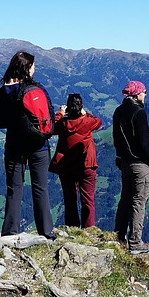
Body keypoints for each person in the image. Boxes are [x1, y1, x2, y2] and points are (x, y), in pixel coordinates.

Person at [0, 50, 56, 239]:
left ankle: (10, 232)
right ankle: (46, 232)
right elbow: (48, 117)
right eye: (33, 65)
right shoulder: (38, 89)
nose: (35, 69)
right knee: (41, 188)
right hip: (39, 146)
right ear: (27, 68)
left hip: (15, 146)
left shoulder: (5, 91)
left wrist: (6, 93)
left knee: (14, 188)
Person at [112, 80, 149, 253]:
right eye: (144, 92)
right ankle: (136, 243)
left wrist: (120, 158)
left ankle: (119, 236)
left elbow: (117, 139)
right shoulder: (139, 113)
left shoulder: (118, 111)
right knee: (139, 201)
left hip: (125, 163)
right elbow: (145, 142)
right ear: (137, 93)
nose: (145, 94)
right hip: (140, 164)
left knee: (125, 200)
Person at [52, 93, 103, 228]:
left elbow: (52, 127)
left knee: (70, 200)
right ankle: (89, 229)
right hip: (86, 164)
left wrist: (60, 113)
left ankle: (72, 228)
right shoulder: (87, 121)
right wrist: (86, 114)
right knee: (88, 200)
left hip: (67, 165)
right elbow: (98, 121)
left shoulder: (63, 123)